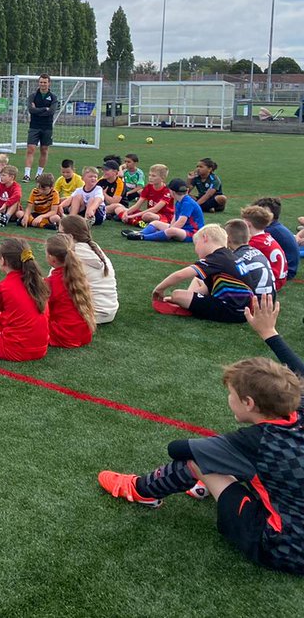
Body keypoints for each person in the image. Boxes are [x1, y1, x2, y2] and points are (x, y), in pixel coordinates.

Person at [97, 294, 304, 576]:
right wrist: (269, 333)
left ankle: (142, 491)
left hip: (283, 548)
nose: (228, 399)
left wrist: (216, 454)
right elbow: (298, 371)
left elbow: (179, 449)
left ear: (249, 403)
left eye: (231, 395)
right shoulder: (297, 405)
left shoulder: (255, 442)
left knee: (198, 463)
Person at [151, 224, 255, 322]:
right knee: (198, 278)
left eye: (196, 244)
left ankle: (188, 307)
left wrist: (159, 289)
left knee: (177, 294)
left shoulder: (217, 258)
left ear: (205, 238)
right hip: (243, 309)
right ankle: (188, 303)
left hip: (232, 311)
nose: (195, 250)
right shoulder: (228, 255)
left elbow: (180, 275)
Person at [58, 215, 118, 325]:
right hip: (110, 310)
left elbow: (54, 285)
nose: (58, 237)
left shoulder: (72, 253)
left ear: (70, 236)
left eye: (60, 233)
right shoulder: (94, 248)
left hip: (92, 314)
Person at [45, 233, 95, 348]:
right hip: (85, 333)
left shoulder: (52, 282)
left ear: (52, 259)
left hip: (64, 334)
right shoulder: (79, 276)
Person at [125, 178, 203, 242]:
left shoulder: (187, 203)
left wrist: (168, 229)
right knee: (155, 223)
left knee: (171, 231)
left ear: (172, 192)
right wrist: (169, 227)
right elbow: (175, 218)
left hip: (193, 233)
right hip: (183, 229)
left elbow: (181, 222)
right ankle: (139, 233)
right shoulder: (179, 202)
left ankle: (143, 237)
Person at [226, 219, 277, 302]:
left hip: (254, 307)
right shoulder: (258, 252)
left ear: (227, 240)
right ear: (249, 236)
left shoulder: (235, 259)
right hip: (270, 302)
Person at [242, 205, 289, 291]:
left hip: (271, 283)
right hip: (280, 278)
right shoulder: (267, 237)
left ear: (248, 225)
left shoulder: (254, 243)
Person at [22, 74, 59, 182]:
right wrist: (44, 109)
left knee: (44, 149)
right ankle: (27, 174)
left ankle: (39, 174)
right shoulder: (33, 96)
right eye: (41, 82)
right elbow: (31, 110)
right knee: (30, 149)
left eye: (45, 82)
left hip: (47, 127)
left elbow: (51, 111)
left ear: (49, 83)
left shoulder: (53, 97)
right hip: (34, 126)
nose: (43, 84)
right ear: (39, 83)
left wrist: (38, 110)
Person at [253, 197, 299, 280]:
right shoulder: (276, 227)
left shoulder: (270, 231)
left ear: (272, 215)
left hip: (285, 272)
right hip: (288, 269)